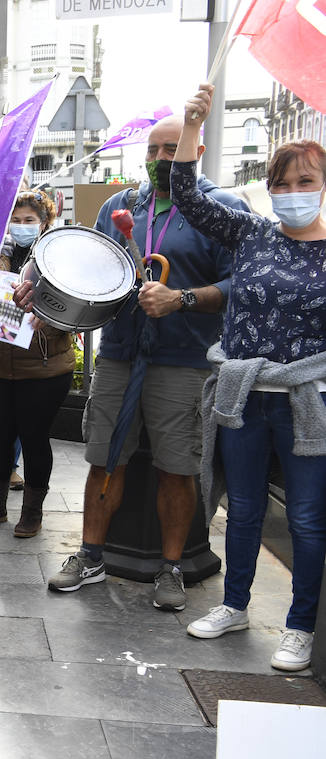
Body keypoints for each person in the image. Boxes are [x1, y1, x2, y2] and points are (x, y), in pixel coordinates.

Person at [39, 115, 245, 609]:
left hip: (184, 361)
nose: (159, 160)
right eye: (152, 151)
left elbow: (241, 286)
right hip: (119, 354)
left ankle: (170, 568)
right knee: (105, 457)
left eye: (172, 150)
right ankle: (90, 555)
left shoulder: (223, 209)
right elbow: (89, 267)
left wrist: (183, 300)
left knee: (177, 466)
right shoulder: (121, 204)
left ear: (196, 149)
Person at [177, 83, 326, 672]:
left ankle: (300, 626)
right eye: (282, 184)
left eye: (306, 182)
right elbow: (188, 196)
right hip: (243, 396)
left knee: (308, 517)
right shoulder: (254, 233)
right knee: (240, 507)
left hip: (305, 402)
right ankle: (234, 604)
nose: (292, 194)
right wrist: (193, 126)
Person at [0, 190, 73, 538]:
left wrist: (52, 318)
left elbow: (73, 313)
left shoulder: (58, 259)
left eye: (29, 220)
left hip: (44, 367)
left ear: (44, 223)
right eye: (16, 219)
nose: (21, 226)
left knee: (34, 438)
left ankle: (32, 513)